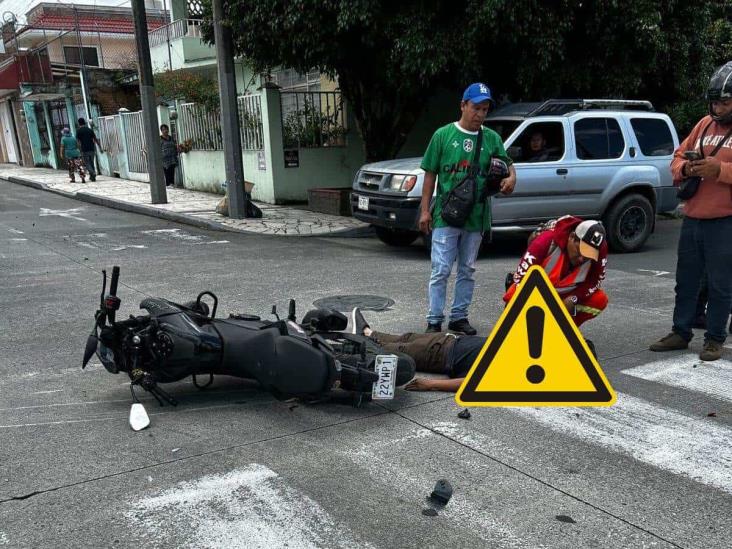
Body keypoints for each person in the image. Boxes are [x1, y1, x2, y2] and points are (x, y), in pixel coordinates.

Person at [418, 82, 517, 335]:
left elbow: (508, 164)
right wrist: (425, 211)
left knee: (467, 269)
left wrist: (511, 178)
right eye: (476, 108)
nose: (480, 114)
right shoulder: (442, 135)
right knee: (440, 269)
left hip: (476, 216)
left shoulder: (492, 138)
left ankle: (459, 316)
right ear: (463, 105)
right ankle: (434, 319)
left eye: (485, 109)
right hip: (446, 214)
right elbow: (430, 174)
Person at [650, 61, 732, 362]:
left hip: (725, 221)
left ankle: (714, 339)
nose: (718, 108)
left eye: (724, 102)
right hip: (694, 217)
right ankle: (680, 331)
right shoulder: (703, 125)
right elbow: (677, 157)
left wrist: (719, 170)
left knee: (722, 283)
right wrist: (686, 167)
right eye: (714, 102)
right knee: (686, 280)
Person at [504, 216, 608, 328]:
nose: (582, 259)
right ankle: (522, 328)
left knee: (599, 300)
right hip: (537, 291)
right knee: (514, 294)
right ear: (572, 237)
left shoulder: (599, 251)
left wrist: (574, 298)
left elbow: (595, 281)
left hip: (565, 295)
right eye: (580, 251)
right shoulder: (546, 240)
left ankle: (566, 331)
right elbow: (521, 277)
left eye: (588, 256)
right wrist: (540, 304)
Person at [350, 307, 483, 392]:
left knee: (398, 349)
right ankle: (368, 333)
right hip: (452, 340)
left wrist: (432, 384)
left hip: (441, 354)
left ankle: (360, 342)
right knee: (407, 338)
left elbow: (473, 383)